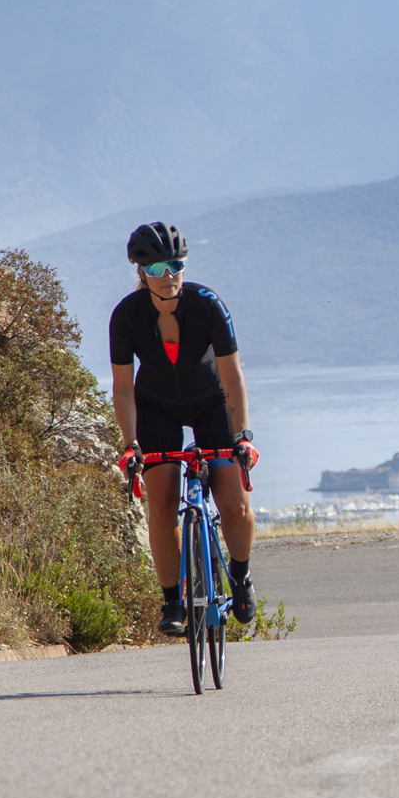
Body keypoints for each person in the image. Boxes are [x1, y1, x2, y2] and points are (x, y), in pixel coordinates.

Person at [108, 222, 257, 635]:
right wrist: (130, 444)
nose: (169, 274)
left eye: (176, 264)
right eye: (157, 269)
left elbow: (233, 379)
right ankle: (173, 601)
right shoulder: (126, 316)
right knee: (160, 503)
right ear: (141, 272)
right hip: (157, 408)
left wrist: (243, 435)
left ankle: (241, 578)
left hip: (212, 404)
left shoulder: (208, 305)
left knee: (234, 503)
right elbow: (123, 388)